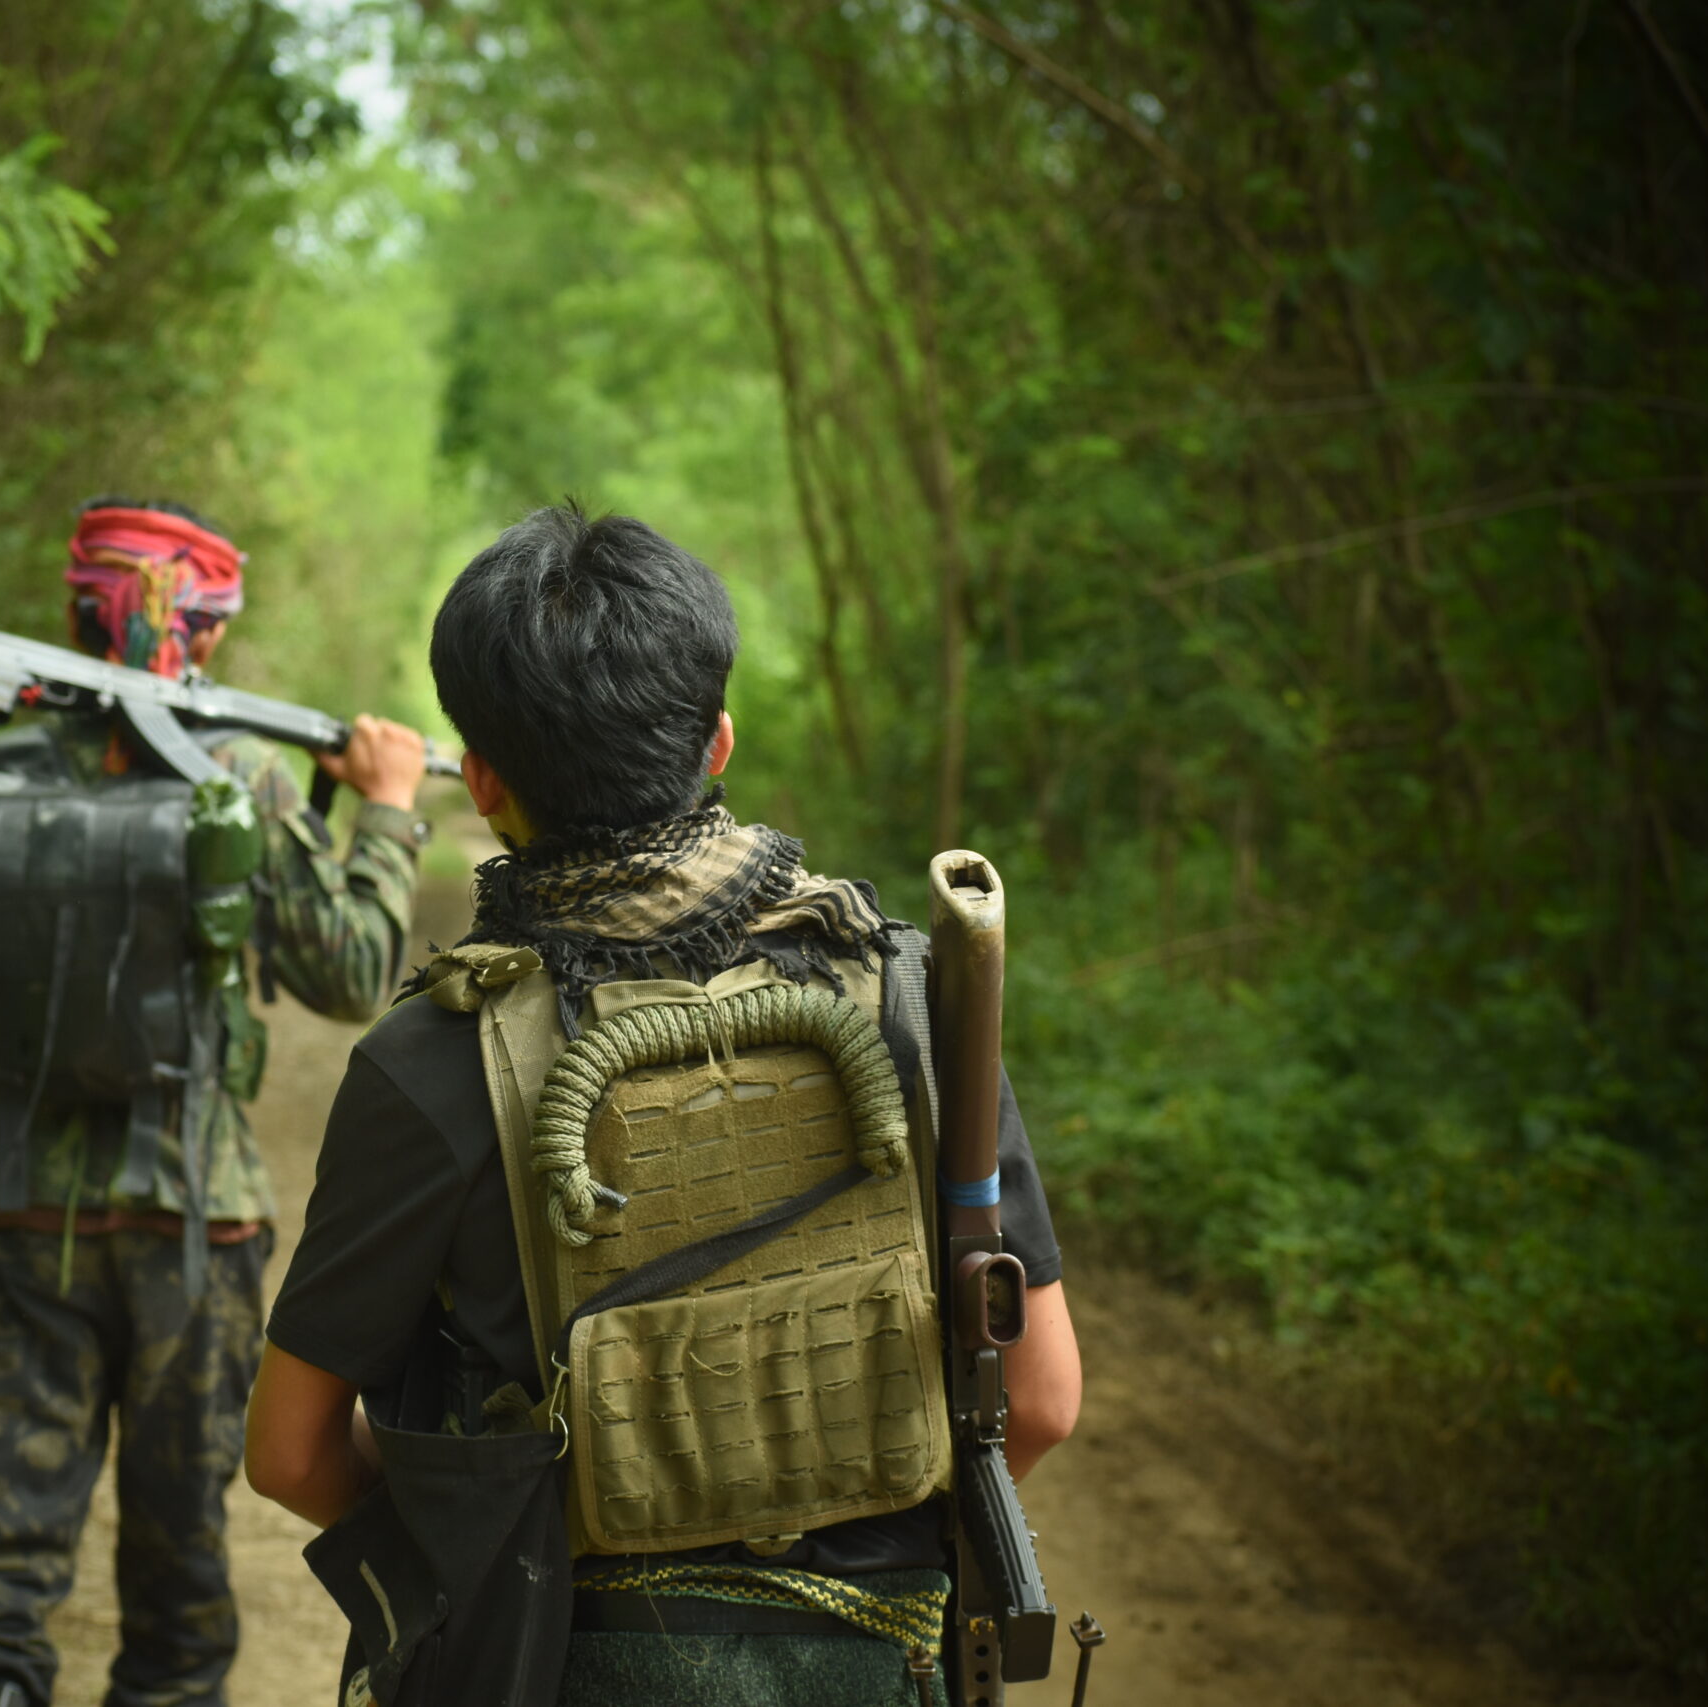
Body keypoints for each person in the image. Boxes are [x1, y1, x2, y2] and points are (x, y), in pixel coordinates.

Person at [245, 504, 1081, 1706]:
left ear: (481, 781)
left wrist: (478, 1526)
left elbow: (290, 1452)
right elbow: (1038, 1401)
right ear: (719, 742)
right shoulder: (911, 997)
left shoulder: (430, 1060)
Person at [0, 497, 433, 1707]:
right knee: (177, 1575)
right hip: (193, 1228)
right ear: (208, 633)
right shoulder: (240, 781)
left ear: (75, 614)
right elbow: (349, 972)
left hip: (15, 1217)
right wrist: (387, 808)